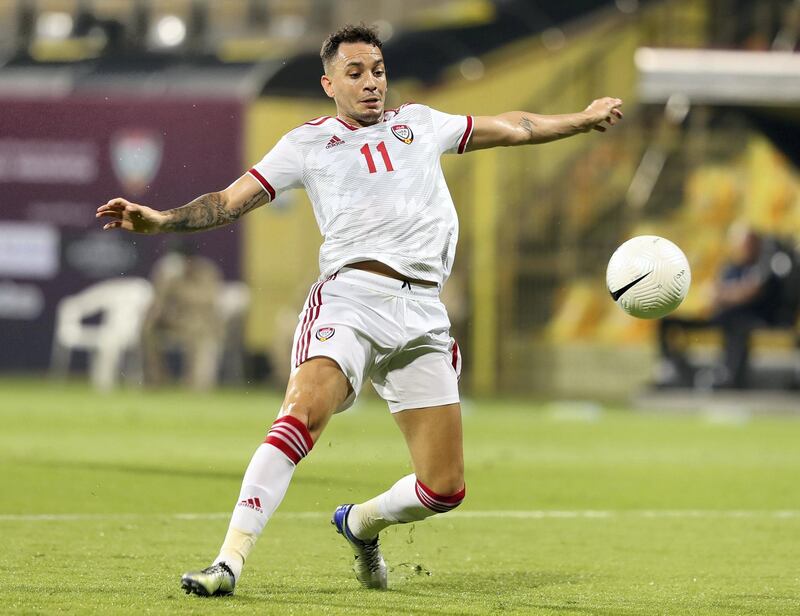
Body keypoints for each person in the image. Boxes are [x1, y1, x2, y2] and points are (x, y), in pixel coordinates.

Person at [96, 24, 623, 596]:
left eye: (377, 71)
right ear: (330, 84)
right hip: (350, 300)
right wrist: (163, 219)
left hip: (423, 311)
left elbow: (513, 127)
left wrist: (582, 119)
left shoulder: (421, 124)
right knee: (302, 415)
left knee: (444, 489)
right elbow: (228, 201)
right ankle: (228, 562)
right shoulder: (307, 143)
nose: (371, 83)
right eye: (355, 73)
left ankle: (361, 523)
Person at [657, 224, 785, 389]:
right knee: (667, 322)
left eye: (748, 243)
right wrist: (726, 294)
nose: (744, 248)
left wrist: (726, 294)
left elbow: (749, 293)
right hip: (721, 317)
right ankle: (678, 371)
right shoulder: (731, 267)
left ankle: (728, 377)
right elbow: (712, 294)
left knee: (737, 325)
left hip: (749, 320)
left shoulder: (764, 267)